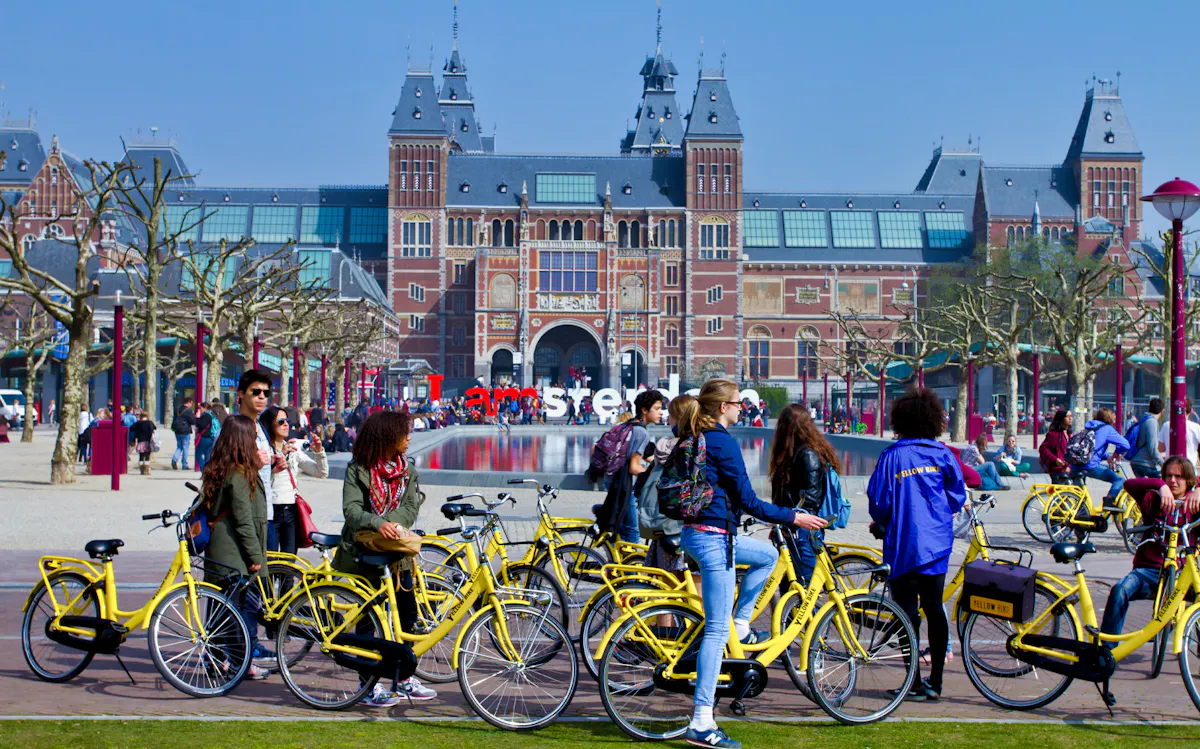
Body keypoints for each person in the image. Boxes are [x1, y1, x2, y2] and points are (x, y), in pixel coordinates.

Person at [678, 379, 824, 749]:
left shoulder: (698, 435)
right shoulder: (722, 440)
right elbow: (748, 501)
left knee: (767, 555)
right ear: (722, 406)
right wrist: (792, 517)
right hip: (713, 538)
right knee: (714, 631)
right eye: (737, 402)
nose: (742, 407)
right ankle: (701, 720)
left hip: (698, 533)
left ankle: (741, 625)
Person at [868, 387, 966, 702]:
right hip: (936, 545)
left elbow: (878, 501)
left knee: (907, 614)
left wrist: (882, 520)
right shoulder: (942, 454)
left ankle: (913, 679)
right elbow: (957, 495)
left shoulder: (892, 456)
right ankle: (936, 681)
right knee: (935, 608)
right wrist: (938, 514)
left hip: (902, 545)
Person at [331, 411, 436, 706]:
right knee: (369, 622)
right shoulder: (358, 469)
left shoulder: (408, 471)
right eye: (406, 432)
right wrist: (379, 525)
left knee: (406, 616)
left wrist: (391, 524)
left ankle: (403, 676)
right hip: (365, 554)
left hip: (397, 555)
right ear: (389, 435)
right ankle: (368, 685)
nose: (410, 437)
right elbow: (351, 511)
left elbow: (411, 507)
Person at [197, 414, 270, 680]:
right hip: (233, 553)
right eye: (253, 436)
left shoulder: (219, 467)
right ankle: (241, 664)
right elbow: (243, 520)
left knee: (220, 612)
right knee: (234, 614)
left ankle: (218, 660)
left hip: (219, 550)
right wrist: (255, 556)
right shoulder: (239, 474)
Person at [1100, 456, 1200, 646]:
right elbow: (1129, 484)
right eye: (1168, 476)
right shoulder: (1153, 499)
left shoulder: (1194, 505)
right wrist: (1160, 486)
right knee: (1120, 590)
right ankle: (1107, 651)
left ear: (1188, 480)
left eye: (1178, 476)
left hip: (1182, 573)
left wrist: (1199, 489)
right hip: (1149, 570)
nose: (1172, 481)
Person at [769, 403, 842, 583]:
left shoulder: (807, 455)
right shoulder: (793, 453)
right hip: (791, 529)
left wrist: (791, 523)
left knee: (803, 587)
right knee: (790, 586)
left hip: (802, 533)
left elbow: (809, 500)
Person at [261, 404, 328, 555]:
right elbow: (257, 478)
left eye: (287, 421)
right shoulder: (263, 450)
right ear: (269, 424)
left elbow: (321, 472)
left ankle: (288, 580)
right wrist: (279, 456)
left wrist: (318, 451)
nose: (286, 425)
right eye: (280, 422)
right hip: (269, 512)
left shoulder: (293, 450)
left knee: (289, 563)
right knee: (270, 561)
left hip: (290, 511)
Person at [1070, 408, 1130, 503]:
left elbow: (1091, 448)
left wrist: (1106, 456)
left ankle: (1081, 512)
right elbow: (1126, 445)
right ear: (1109, 417)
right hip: (1090, 465)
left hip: (1075, 464)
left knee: (1079, 495)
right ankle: (1109, 501)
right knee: (1119, 480)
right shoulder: (1107, 429)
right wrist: (1117, 453)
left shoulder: (1089, 427)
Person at [1158, 397, 1200, 469]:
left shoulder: (1166, 425)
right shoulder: (1196, 427)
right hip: (1189, 467)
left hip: (1171, 467)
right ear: (1191, 411)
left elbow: (1161, 449)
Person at [1128, 398, 1164, 478]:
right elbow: (1152, 448)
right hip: (1145, 464)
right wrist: (1164, 465)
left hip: (1136, 461)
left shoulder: (1143, 419)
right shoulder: (1152, 422)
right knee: (1161, 486)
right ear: (1162, 411)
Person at [1038, 410, 1073, 484]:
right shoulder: (1054, 434)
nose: (1070, 418)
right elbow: (1043, 449)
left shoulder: (1070, 434)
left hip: (1069, 470)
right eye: (1067, 416)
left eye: (1071, 416)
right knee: (1060, 494)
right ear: (1061, 418)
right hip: (1058, 471)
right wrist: (1055, 459)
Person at [171, 397, 197, 471]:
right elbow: (193, 421)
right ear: (189, 402)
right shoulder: (188, 411)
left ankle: (174, 459)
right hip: (185, 430)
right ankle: (184, 464)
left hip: (177, 430)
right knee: (185, 447)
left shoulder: (178, 408)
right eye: (191, 403)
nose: (191, 405)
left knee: (179, 446)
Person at [195, 402, 216, 472]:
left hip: (204, 438)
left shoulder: (206, 416)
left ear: (204, 408)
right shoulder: (212, 415)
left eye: (200, 408)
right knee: (208, 457)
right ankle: (208, 472)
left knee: (198, 455)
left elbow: (201, 425)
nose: (200, 410)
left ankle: (204, 470)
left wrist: (197, 417)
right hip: (211, 437)